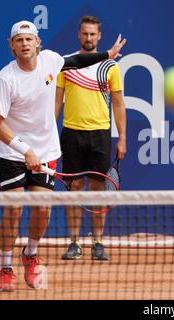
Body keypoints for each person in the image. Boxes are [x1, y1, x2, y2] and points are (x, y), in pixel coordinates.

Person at [0, 20, 126, 292]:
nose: (25, 44)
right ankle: (5, 266)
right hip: (11, 152)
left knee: (43, 210)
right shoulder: (5, 79)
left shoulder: (51, 61)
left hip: (45, 150)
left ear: (38, 43)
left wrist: (107, 55)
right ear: (11, 46)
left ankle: (30, 255)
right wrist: (24, 150)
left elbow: (76, 60)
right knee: (14, 209)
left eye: (30, 39)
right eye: (19, 40)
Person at [55, 16, 127, 261]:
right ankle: (74, 243)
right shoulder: (67, 64)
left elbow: (118, 105)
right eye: (85, 34)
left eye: (92, 34)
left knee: (97, 190)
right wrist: (48, 133)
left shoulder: (110, 67)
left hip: (100, 134)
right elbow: (57, 100)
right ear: (79, 35)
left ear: (99, 36)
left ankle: (97, 242)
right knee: (74, 188)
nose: (88, 38)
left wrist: (122, 138)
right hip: (71, 133)